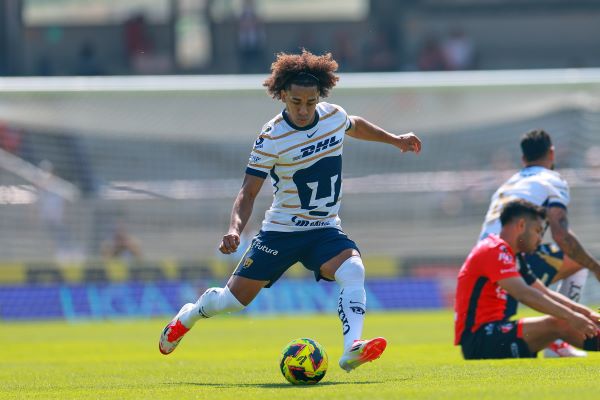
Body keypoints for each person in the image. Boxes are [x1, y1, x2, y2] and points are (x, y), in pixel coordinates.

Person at [159, 49, 422, 372]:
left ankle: (352, 348)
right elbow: (248, 191)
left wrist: (395, 140)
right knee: (232, 301)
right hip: (281, 232)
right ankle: (190, 313)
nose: (303, 109)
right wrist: (234, 230)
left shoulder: (333, 116)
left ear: (319, 97)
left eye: (310, 102)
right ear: (283, 95)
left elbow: (355, 126)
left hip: (324, 229)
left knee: (353, 270)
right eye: (296, 102)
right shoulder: (271, 138)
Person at [479, 129, 600, 357]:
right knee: (577, 260)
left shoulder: (508, 183)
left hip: (483, 262)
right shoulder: (552, 180)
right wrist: (596, 267)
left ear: (523, 159)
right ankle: (558, 340)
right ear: (551, 153)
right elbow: (561, 235)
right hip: (507, 260)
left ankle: (556, 335)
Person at [456, 199, 600, 359]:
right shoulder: (493, 250)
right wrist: (572, 317)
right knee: (559, 323)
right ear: (521, 225)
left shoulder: (513, 256)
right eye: (538, 230)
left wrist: (587, 314)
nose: (539, 239)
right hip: (480, 339)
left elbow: (545, 293)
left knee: (564, 321)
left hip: (495, 332)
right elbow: (524, 294)